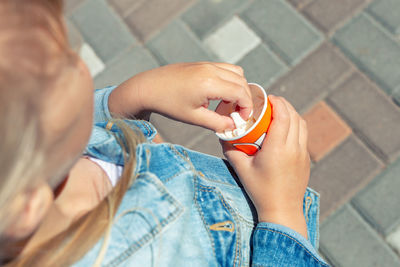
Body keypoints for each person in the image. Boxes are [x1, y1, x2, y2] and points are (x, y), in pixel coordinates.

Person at [0, 0, 329, 266]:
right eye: (64, 66)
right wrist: (282, 213)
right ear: (27, 205)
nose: (80, 64)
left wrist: (134, 96)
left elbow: (65, 137)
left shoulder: (29, 172)